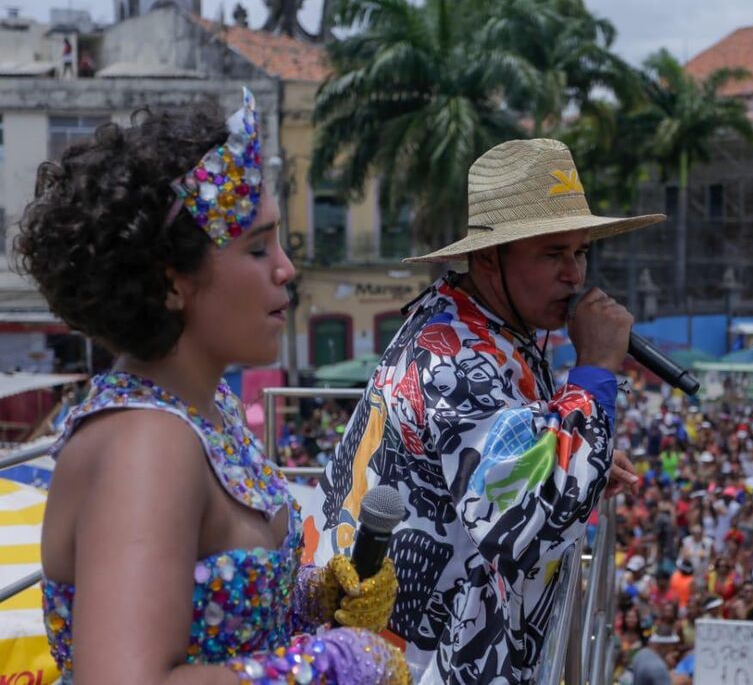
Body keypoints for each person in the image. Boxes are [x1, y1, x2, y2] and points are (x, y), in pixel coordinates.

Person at [18, 90, 406, 683]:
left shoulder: (207, 408)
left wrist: (309, 599)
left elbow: (212, 607)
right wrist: (329, 665)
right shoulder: (145, 445)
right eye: (257, 248)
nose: (286, 268)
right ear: (171, 282)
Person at [312, 138, 664, 683]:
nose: (574, 274)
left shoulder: (482, 323)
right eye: (552, 254)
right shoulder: (453, 356)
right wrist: (594, 370)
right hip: (409, 661)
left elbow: (509, 450)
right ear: (487, 258)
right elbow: (524, 524)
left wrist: (576, 459)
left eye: (580, 251)